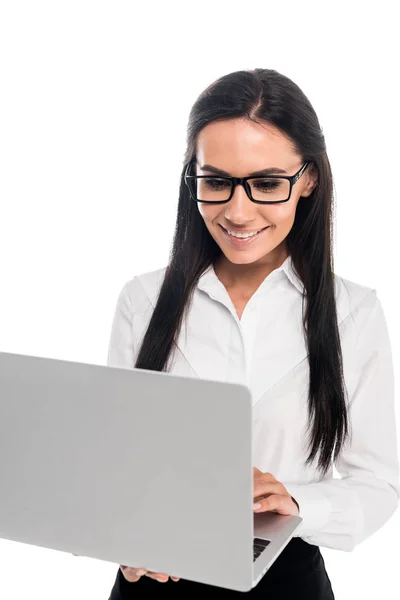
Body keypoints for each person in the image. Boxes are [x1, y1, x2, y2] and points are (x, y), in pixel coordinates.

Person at [106, 68, 400, 599]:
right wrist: (126, 538)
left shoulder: (352, 313)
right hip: (156, 582)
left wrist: (296, 502)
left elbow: (379, 483)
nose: (238, 212)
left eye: (266, 184)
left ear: (308, 179)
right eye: (216, 181)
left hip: (286, 581)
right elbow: (116, 464)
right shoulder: (143, 301)